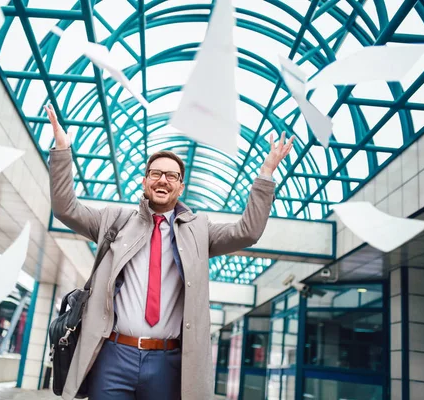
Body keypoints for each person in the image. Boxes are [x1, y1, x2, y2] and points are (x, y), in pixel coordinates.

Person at [45, 104, 293, 400]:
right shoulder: (114, 220)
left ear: (180, 186)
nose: (163, 180)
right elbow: (66, 208)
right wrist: (62, 151)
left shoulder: (199, 230)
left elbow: (247, 232)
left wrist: (265, 176)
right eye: (156, 173)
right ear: (145, 181)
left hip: (167, 362)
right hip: (113, 355)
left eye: (171, 176)